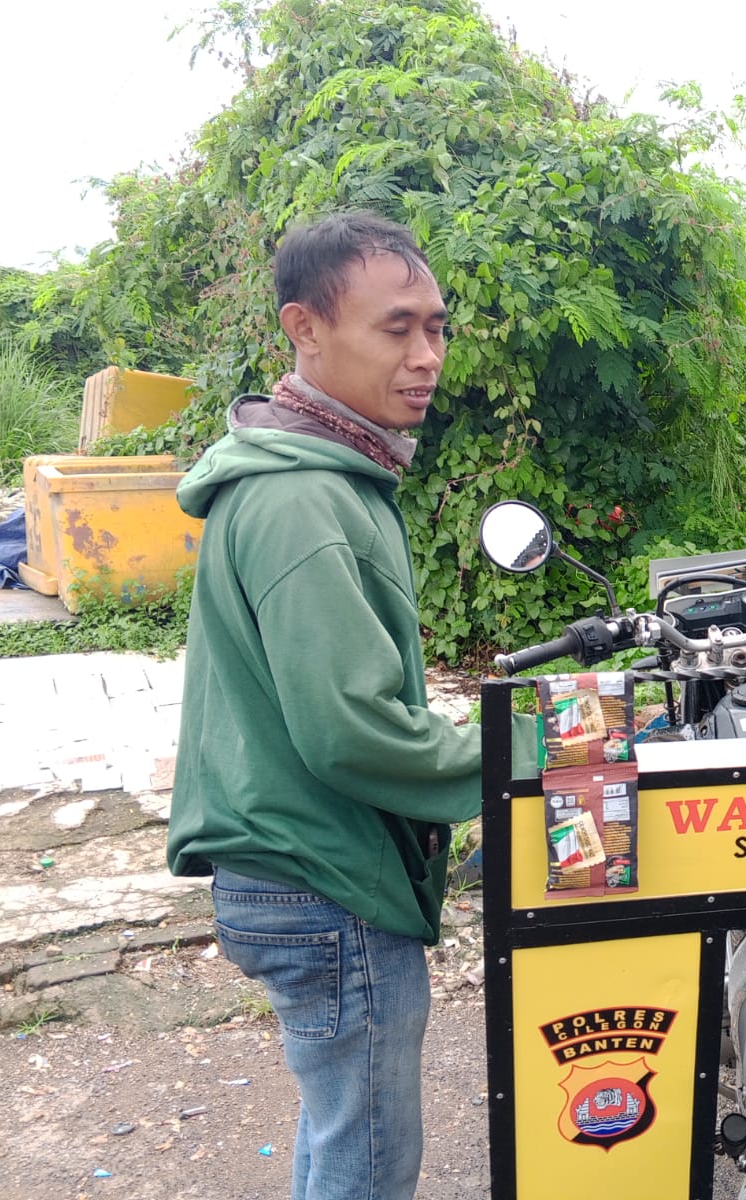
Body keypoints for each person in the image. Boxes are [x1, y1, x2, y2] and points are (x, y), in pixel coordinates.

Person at [166, 211, 534, 1200]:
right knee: (367, 1156)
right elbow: (350, 728)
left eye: (437, 328)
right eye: (396, 328)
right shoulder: (302, 503)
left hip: (288, 864)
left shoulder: (321, 476)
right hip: (319, 876)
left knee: (340, 1132)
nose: (427, 356)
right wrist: (519, 747)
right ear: (306, 328)